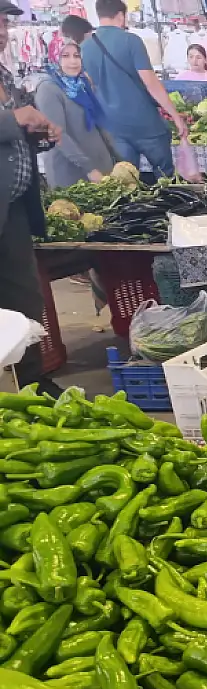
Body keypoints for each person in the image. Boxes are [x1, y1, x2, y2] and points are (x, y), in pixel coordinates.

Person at [0, 0, 62, 394]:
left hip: (14, 208)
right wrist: (14, 119)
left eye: (4, 22)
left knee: (24, 295)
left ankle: (33, 381)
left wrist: (37, 133)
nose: (3, 30)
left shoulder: (4, 75)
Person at [81, 0, 189, 176]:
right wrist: (175, 116)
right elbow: (151, 83)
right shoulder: (131, 41)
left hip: (113, 127)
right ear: (121, 15)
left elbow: (88, 87)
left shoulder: (85, 47)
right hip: (145, 124)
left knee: (127, 181)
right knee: (164, 178)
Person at [36, 40, 117, 188]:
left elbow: (98, 123)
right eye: (65, 56)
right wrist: (89, 168)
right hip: (73, 175)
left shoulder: (82, 84)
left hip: (100, 170)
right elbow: (57, 135)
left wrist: (116, 156)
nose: (72, 61)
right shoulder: (48, 90)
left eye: (76, 55)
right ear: (55, 57)